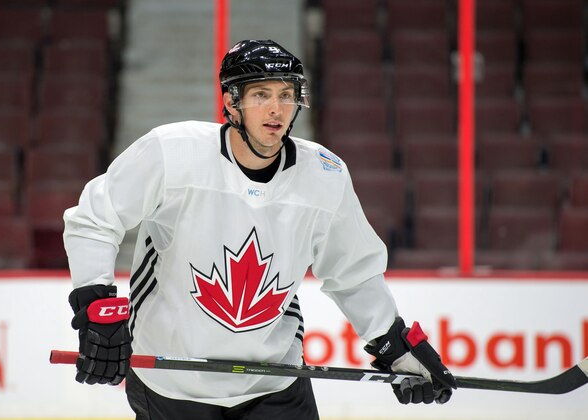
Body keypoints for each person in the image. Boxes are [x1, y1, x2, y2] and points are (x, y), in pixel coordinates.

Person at [63, 39, 455, 419]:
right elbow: (94, 219)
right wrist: (97, 305)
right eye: (261, 95)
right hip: (172, 381)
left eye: (286, 95)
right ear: (232, 102)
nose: (276, 109)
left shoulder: (323, 174)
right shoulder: (172, 152)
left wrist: (394, 343)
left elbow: (352, 270)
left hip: (275, 381)